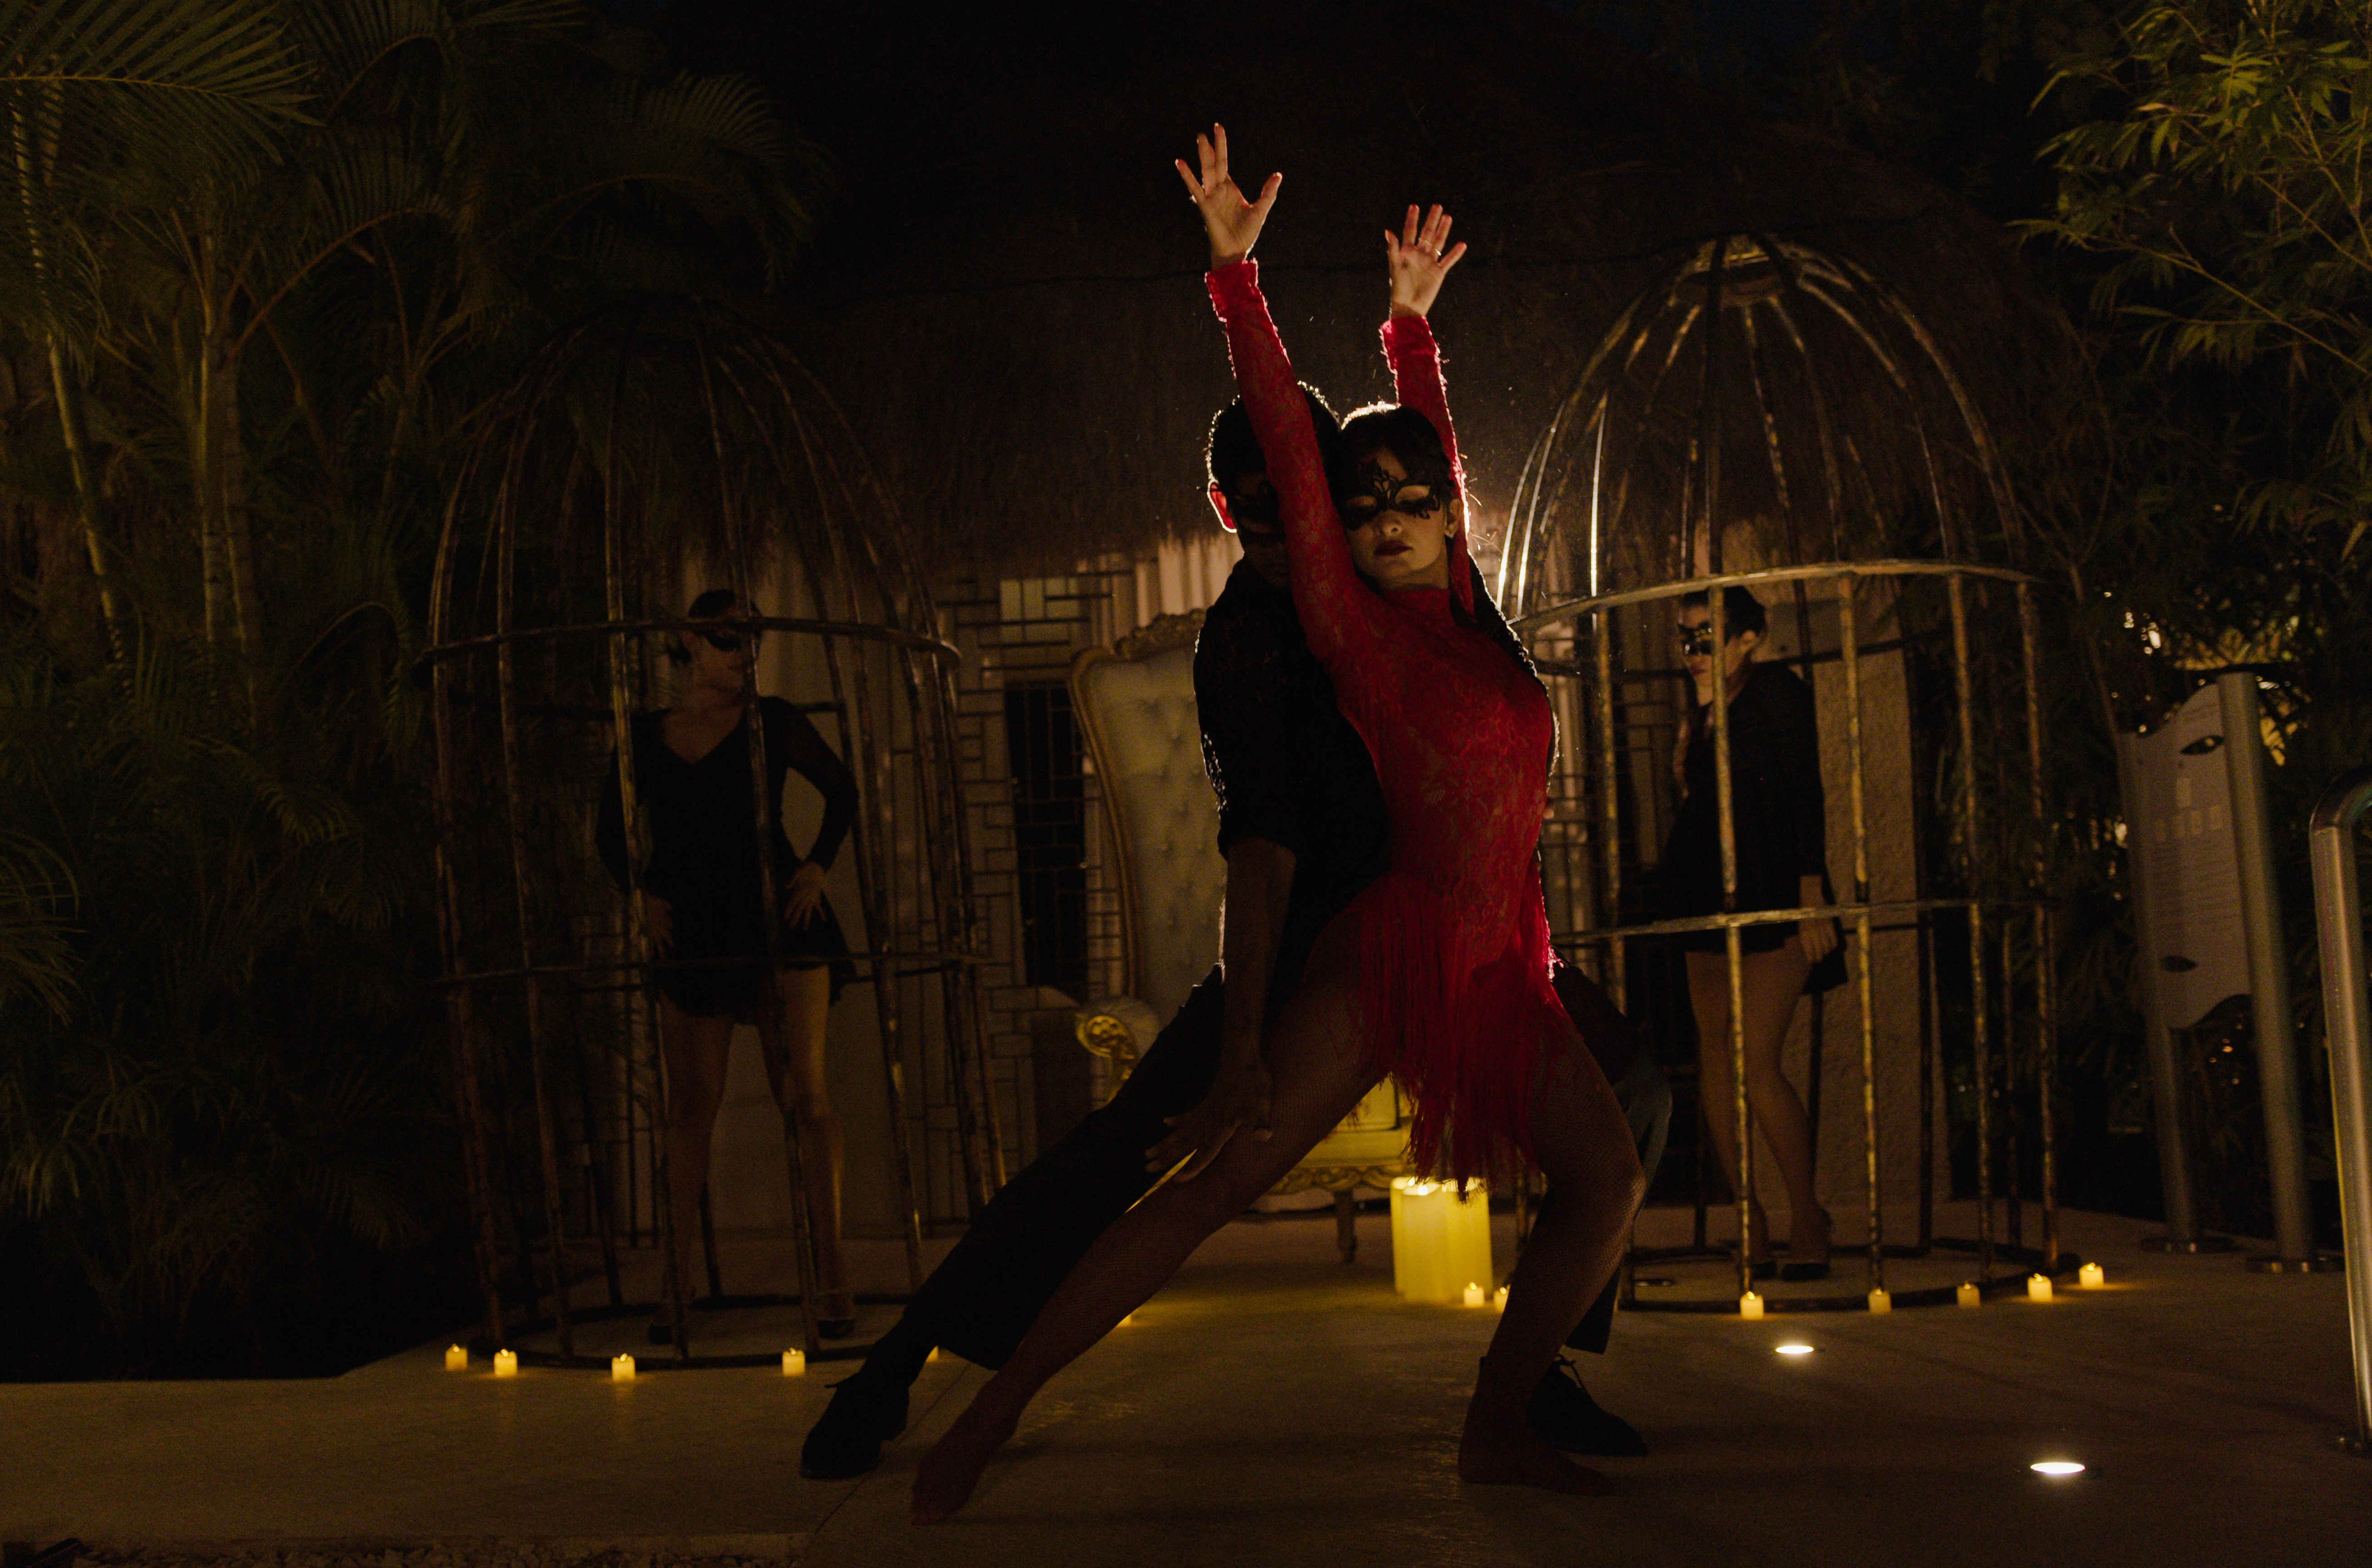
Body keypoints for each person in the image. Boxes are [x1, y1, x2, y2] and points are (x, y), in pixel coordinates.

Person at [798, 198, 1666, 1482]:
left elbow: (1423, 454)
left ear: (1446, 511)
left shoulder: (1456, 598)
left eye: (1410, 500)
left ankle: (1525, 1393)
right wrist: (1235, 280)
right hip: (1345, 942)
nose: (1383, 518)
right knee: (1164, 1167)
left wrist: (1410, 326)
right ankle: (949, 1387)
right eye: (1350, 506)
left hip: (1493, 956)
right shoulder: (1318, 627)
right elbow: (1258, 848)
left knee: (1622, 1127)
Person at [599, 588, 864, 1339]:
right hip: (693, 924)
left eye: (752, 641)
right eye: (727, 641)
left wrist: (817, 865)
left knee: (805, 1096)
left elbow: (841, 790)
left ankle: (833, 1274)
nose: (744, 655)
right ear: (690, 641)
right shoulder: (649, 734)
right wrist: (641, 894)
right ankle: (675, 1280)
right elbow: (608, 826)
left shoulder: (771, 720)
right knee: (692, 1104)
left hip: (776, 916)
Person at [1666, 584, 1843, 1280]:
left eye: (1707, 637)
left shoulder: (1775, 691)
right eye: (1686, 638)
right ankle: (1751, 1215)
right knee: (1714, 1051)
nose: (1694, 651)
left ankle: (1807, 1213)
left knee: (1756, 1058)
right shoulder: (1704, 709)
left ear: (1747, 638)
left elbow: (1805, 787)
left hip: (1772, 890)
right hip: (1705, 887)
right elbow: (1702, 803)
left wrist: (1810, 892)